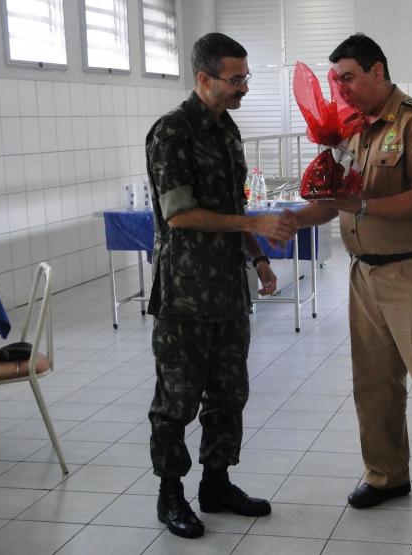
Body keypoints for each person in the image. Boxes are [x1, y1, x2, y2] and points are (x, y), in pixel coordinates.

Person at [292, 33, 412, 528]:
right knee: (374, 383)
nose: (341, 89)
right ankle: (386, 475)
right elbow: (335, 199)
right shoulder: (352, 130)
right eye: (336, 81)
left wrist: (357, 204)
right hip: (363, 274)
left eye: (349, 78)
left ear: (377, 71)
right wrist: (293, 220)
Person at [145, 32, 297, 539]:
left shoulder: (227, 129)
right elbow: (180, 215)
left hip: (229, 290)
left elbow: (233, 207)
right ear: (204, 78)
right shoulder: (172, 132)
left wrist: (258, 259)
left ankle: (216, 483)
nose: (244, 88)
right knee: (177, 399)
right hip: (185, 293)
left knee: (229, 393)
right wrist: (253, 227)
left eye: (245, 77)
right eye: (236, 79)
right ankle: (171, 493)